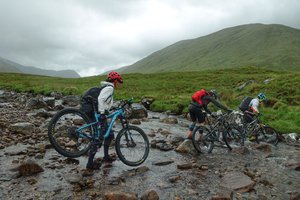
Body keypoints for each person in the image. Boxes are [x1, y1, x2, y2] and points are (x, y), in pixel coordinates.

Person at [80, 71, 123, 170]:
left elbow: (104, 102)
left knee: (109, 134)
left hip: (91, 111)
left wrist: (107, 110)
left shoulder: (106, 87)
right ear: (115, 81)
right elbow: (100, 99)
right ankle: (90, 164)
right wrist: (102, 113)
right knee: (98, 138)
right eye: (117, 82)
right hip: (94, 112)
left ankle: (106, 156)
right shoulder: (109, 88)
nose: (117, 84)